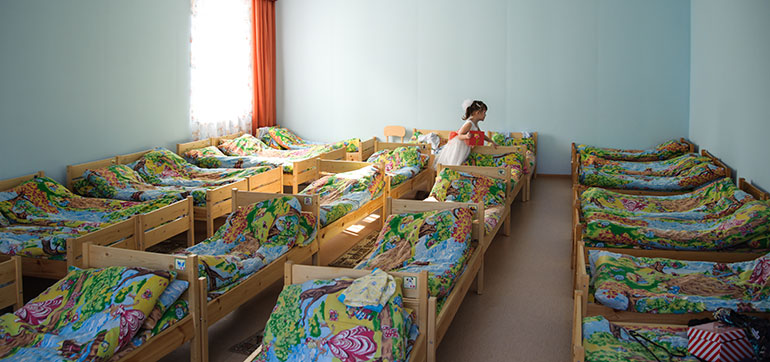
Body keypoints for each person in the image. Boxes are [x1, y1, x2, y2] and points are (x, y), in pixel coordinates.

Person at [434, 99, 498, 167]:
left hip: (465, 146)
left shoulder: (475, 123)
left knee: (461, 161)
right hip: (459, 145)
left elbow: (481, 135)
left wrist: (491, 141)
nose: (485, 115)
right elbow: (459, 135)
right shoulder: (469, 123)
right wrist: (466, 136)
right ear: (478, 113)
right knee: (455, 161)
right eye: (484, 113)